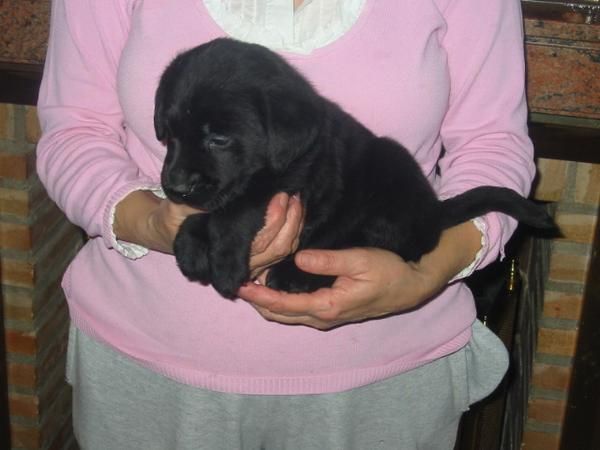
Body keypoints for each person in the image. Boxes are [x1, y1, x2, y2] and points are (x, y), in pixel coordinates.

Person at [36, 0, 535, 449]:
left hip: (382, 374)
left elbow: (492, 142)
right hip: (146, 358)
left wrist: (427, 274)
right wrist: (150, 222)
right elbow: (75, 128)